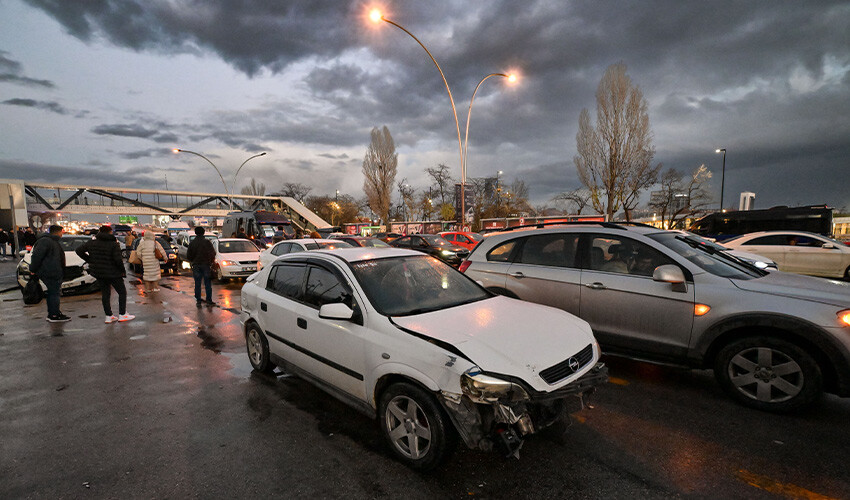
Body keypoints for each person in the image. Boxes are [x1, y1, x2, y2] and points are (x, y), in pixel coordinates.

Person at [76, 225, 134, 323]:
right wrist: (122, 271)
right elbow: (118, 260)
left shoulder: (92, 243)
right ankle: (122, 314)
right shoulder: (113, 244)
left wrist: (90, 260)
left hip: (99, 272)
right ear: (110, 232)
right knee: (122, 292)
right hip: (113, 272)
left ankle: (108, 315)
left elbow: (78, 250)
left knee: (105, 294)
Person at [29, 225, 69, 322]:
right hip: (50, 272)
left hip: (53, 271)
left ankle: (54, 312)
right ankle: (54, 315)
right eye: (61, 232)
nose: (62, 234)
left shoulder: (51, 241)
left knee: (53, 293)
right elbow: (36, 256)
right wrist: (33, 270)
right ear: (57, 232)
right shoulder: (46, 241)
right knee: (54, 293)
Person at [186, 226, 216, 306]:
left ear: (195, 233)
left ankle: (198, 301)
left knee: (197, 283)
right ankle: (209, 300)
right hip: (206, 265)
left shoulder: (192, 243)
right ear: (203, 232)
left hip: (196, 265)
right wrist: (211, 261)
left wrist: (193, 260)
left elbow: (188, 255)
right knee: (207, 283)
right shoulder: (207, 242)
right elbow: (213, 253)